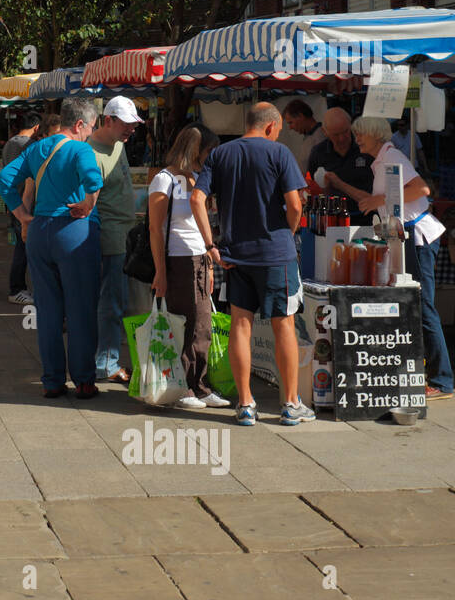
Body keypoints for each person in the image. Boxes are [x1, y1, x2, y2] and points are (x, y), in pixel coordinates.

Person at [190, 102, 315, 427]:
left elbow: (196, 199)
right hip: (276, 255)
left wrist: (209, 245)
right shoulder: (280, 153)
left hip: (235, 256)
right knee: (283, 325)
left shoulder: (221, 154)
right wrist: (286, 232)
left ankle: (246, 404)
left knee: (241, 326)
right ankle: (290, 404)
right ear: (272, 127)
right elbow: (295, 204)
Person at [334, 116, 453, 399]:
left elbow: (422, 189)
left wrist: (379, 201)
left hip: (418, 238)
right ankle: (427, 374)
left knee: (423, 308)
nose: (357, 139)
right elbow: (384, 197)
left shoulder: (393, 155)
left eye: (361, 134)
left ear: (376, 134)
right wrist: (345, 187)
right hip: (403, 237)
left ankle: (442, 380)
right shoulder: (381, 161)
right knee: (415, 305)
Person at [0, 97, 104, 398]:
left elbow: (5, 179)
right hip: (73, 232)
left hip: (39, 232)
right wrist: (87, 202)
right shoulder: (80, 148)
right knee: (81, 309)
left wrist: (21, 215)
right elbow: (93, 179)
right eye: (91, 128)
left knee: (48, 311)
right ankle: (84, 380)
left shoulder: (37, 147)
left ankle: (53, 381)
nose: (90, 134)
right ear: (79, 124)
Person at [150, 124, 230, 410]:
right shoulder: (164, 179)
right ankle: (185, 386)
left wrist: (208, 265)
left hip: (198, 258)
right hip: (179, 259)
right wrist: (160, 270)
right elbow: (155, 229)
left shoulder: (197, 179)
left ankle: (199, 384)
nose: (214, 156)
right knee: (185, 323)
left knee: (201, 324)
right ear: (198, 150)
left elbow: (201, 227)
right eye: (210, 151)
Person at [88, 96, 142, 383]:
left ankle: (106, 359)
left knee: (118, 301)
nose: (131, 130)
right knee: (111, 302)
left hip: (126, 233)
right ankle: (105, 363)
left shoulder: (119, 145)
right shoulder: (90, 152)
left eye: (133, 125)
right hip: (109, 237)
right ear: (108, 119)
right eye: (126, 124)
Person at [308, 106, 374, 224]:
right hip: (334, 220)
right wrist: (325, 187)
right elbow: (312, 190)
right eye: (336, 135)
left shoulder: (366, 147)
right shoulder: (318, 153)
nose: (342, 138)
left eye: (345, 132)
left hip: (367, 218)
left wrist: (339, 184)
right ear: (325, 132)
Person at [1, 113, 41, 304]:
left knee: (20, 244)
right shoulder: (30, 146)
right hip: (25, 203)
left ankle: (18, 287)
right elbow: (29, 180)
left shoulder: (9, 143)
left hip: (12, 201)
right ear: (36, 128)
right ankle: (17, 288)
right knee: (23, 247)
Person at [280, 99, 325, 172]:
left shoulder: (321, 136)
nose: (290, 127)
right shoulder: (311, 136)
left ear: (301, 116)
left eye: (291, 122)